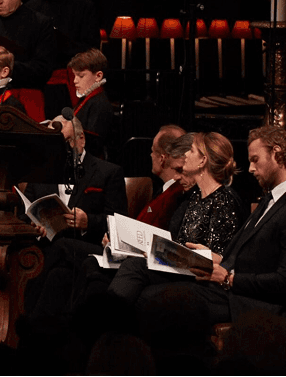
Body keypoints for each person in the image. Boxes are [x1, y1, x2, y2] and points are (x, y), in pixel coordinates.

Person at [109, 131, 250, 321]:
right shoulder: (194, 197)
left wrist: (173, 253)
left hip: (202, 281)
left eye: (191, 151)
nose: (185, 155)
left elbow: (222, 259)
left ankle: (107, 325)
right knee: (131, 270)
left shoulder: (225, 200)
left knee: (137, 271)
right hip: (180, 270)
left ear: (202, 161)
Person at [25, 115, 125, 245]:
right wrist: (34, 227)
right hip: (45, 249)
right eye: (55, 144)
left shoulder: (109, 172)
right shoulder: (40, 174)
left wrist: (89, 222)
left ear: (81, 139)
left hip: (86, 250)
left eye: (67, 142)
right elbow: (24, 216)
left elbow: (120, 223)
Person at [68, 48, 111, 152]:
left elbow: (93, 142)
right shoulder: (88, 98)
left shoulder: (99, 103)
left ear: (98, 76)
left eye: (80, 76)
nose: (75, 81)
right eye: (74, 75)